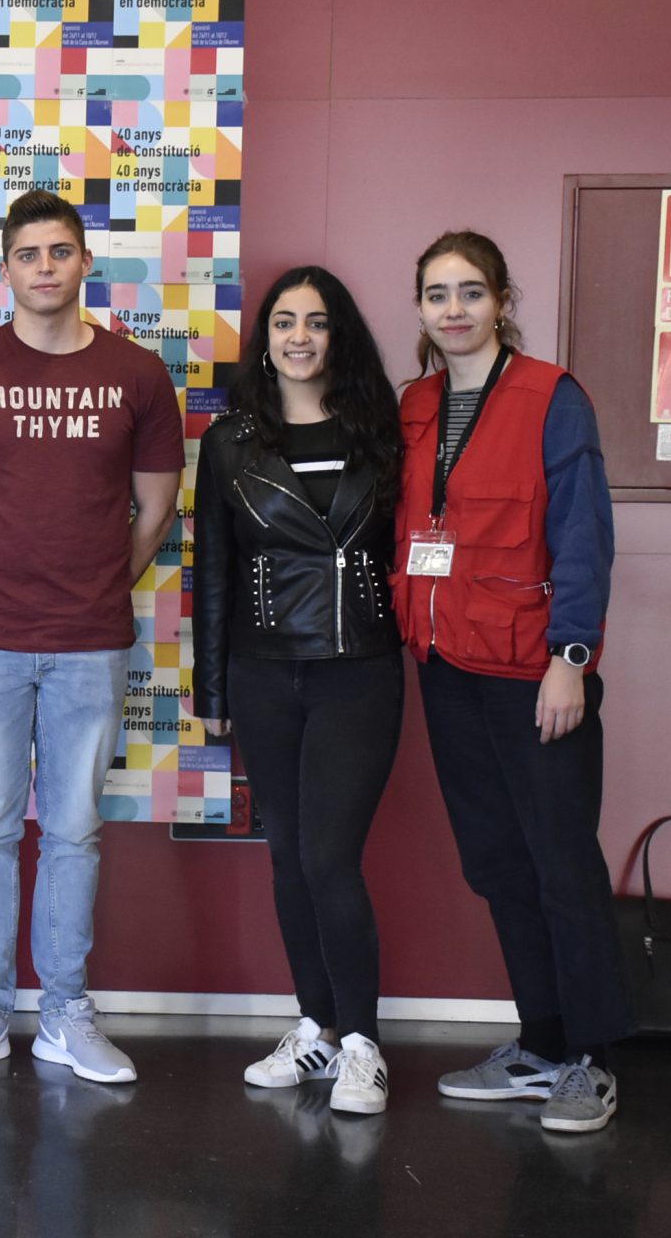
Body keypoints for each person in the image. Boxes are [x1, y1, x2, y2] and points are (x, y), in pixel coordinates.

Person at [0, 188, 182, 1085]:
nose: (45, 267)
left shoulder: (138, 375)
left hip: (90, 639)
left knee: (73, 828)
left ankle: (65, 1010)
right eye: (28, 254)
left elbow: (155, 509)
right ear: (6, 270)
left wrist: (98, 583)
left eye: (60, 251)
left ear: (85, 262)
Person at [395, 231, 630, 1133]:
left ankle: (592, 1061)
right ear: (420, 308)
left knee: (561, 862)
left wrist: (571, 660)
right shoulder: (416, 404)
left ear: (501, 300)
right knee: (497, 862)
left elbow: (583, 534)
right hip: (448, 669)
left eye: (470, 292)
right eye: (437, 294)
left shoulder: (551, 396)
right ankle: (542, 1045)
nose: (454, 309)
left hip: (536, 674)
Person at [190, 266, 405, 1113]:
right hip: (263, 672)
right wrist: (212, 690)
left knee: (328, 857)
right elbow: (214, 569)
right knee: (287, 854)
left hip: (358, 670)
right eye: (285, 321)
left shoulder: (382, 429)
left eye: (316, 322)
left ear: (338, 334)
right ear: (266, 337)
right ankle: (316, 1026)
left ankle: (362, 1044)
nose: (300, 337)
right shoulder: (230, 441)